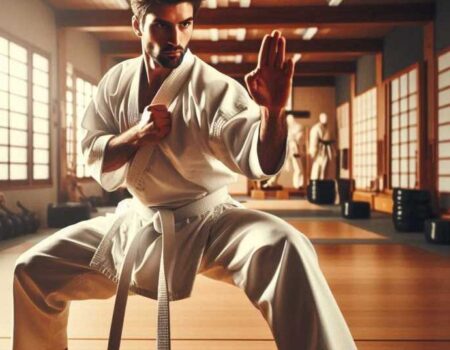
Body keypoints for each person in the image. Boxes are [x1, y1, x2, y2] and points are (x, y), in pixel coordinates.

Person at [11, 1, 357, 349]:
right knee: (32, 271)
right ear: (137, 25)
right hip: (139, 222)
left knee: (286, 246)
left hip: (209, 223)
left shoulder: (213, 88)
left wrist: (273, 112)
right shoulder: (116, 83)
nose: (176, 37)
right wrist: (138, 134)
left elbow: (259, 158)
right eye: (162, 25)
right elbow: (93, 153)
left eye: (185, 24)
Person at [309, 112, 334, 180]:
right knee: (317, 169)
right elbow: (313, 141)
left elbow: (331, 140)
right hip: (319, 151)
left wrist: (333, 151)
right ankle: (317, 184)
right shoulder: (316, 128)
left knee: (327, 170)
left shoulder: (328, 128)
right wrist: (313, 152)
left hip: (327, 150)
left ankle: (325, 184)